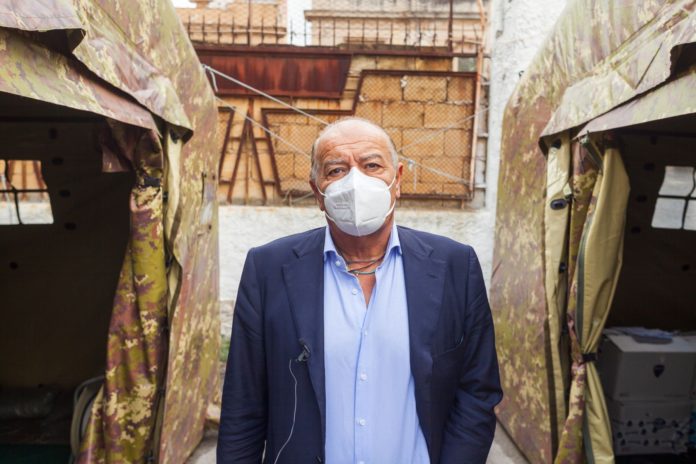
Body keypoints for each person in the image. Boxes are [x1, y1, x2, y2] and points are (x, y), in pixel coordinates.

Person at [218, 118, 502, 464]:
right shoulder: (268, 269)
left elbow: (477, 392)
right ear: (317, 192)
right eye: (336, 170)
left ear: (397, 180)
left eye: (372, 165)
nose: (355, 181)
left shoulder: (455, 266)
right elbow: (243, 406)